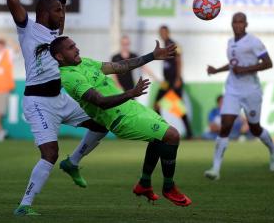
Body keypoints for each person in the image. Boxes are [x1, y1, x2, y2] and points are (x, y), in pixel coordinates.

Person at [35, 36, 192, 207]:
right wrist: (131, 93)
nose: (77, 49)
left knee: (159, 137)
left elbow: (120, 66)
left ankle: (144, 184)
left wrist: (152, 56)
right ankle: (169, 187)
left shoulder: (84, 62)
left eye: (75, 45)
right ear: (59, 56)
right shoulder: (70, 77)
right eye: (71, 47)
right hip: (120, 119)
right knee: (172, 135)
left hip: (131, 108)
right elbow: (100, 102)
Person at [7, 0, 108, 216]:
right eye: (57, 11)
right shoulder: (28, 28)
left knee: (102, 123)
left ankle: (72, 162)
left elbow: (59, 16)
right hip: (38, 102)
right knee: (49, 154)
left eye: (62, 11)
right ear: (43, 12)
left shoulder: (55, 37)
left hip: (60, 99)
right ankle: (24, 205)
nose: (62, 15)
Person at [204, 12, 274, 180]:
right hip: (232, 89)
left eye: (240, 22)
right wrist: (216, 70)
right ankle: (215, 169)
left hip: (251, 90)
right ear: (232, 24)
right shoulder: (230, 43)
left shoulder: (253, 41)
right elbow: (233, 65)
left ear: (246, 24)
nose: (237, 25)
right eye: (235, 22)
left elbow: (268, 63)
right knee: (226, 125)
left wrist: (245, 70)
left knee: (254, 128)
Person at [154, 25, 193, 139]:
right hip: (166, 82)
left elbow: (179, 61)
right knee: (156, 105)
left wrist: (178, 78)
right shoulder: (163, 46)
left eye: (164, 32)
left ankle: (189, 133)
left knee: (178, 108)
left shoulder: (173, 44)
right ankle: (161, 131)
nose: (163, 34)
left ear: (168, 33)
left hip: (174, 81)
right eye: (161, 32)